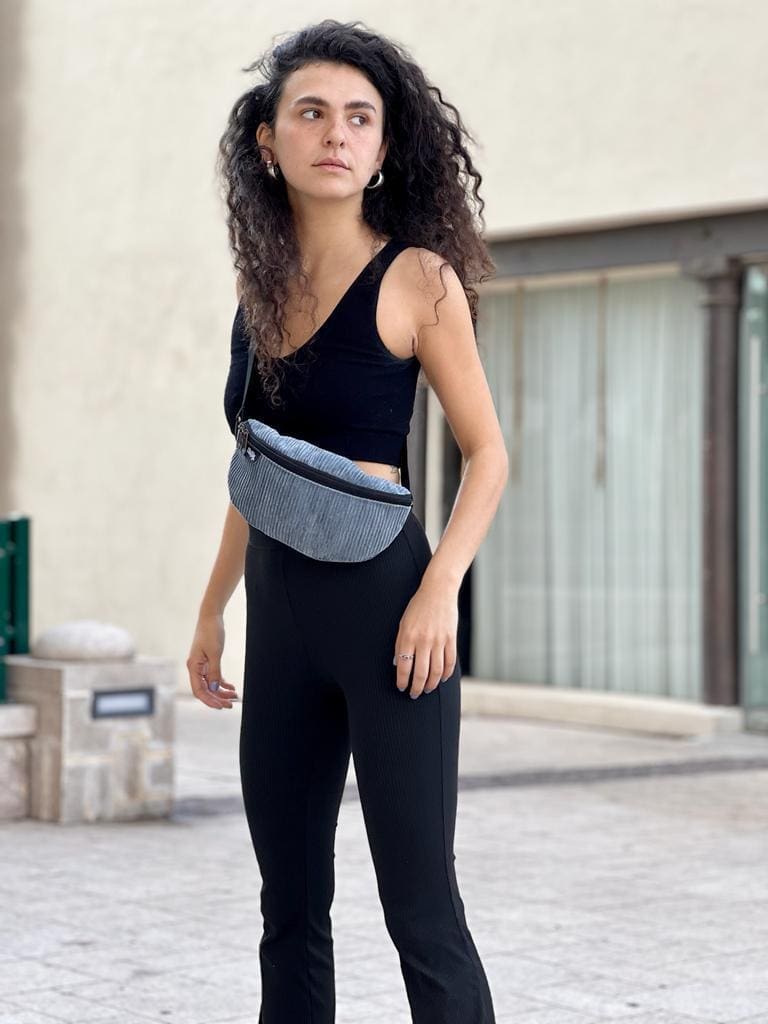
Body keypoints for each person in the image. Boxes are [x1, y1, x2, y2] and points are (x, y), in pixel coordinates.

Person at [187, 19, 508, 1024]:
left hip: (390, 617)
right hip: (279, 616)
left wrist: (439, 593)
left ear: (382, 147)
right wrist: (211, 609)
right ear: (268, 141)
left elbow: (489, 455)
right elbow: (260, 471)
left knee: (422, 910)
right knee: (288, 907)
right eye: (313, 112)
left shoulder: (418, 279)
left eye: (360, 117)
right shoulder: (257, 292)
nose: (337, 132)